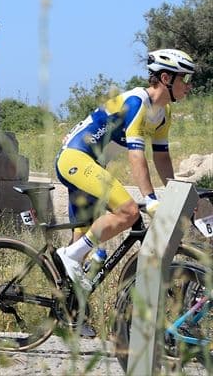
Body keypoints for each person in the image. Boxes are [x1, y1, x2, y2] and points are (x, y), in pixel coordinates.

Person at [53, 48, 197, 288]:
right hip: (75, 160)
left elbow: (161, 157)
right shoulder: (138, 102)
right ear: (165, 78)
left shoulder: (164, 112)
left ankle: (71, 315)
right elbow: (136, 154)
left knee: (81, 248)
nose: (189, 85)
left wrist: (177, 193)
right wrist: (150, 199)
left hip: (92, 164)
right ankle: (70, 256)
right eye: (186, 78)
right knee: (129, 211)